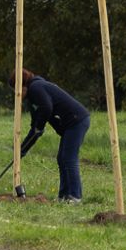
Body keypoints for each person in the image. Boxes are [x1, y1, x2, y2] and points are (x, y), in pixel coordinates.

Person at [17, 70, 90, 203]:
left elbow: (46, 108)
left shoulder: (36, 88)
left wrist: (40, 125)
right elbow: (35, 128)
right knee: (61, 158)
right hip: (70, 125)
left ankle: (75, 196)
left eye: (16, 90)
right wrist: (21, 150)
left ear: (22, 85)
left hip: (77, 120)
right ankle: (63, 195)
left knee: (69, 158)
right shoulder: (32, 96)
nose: (17, 95)